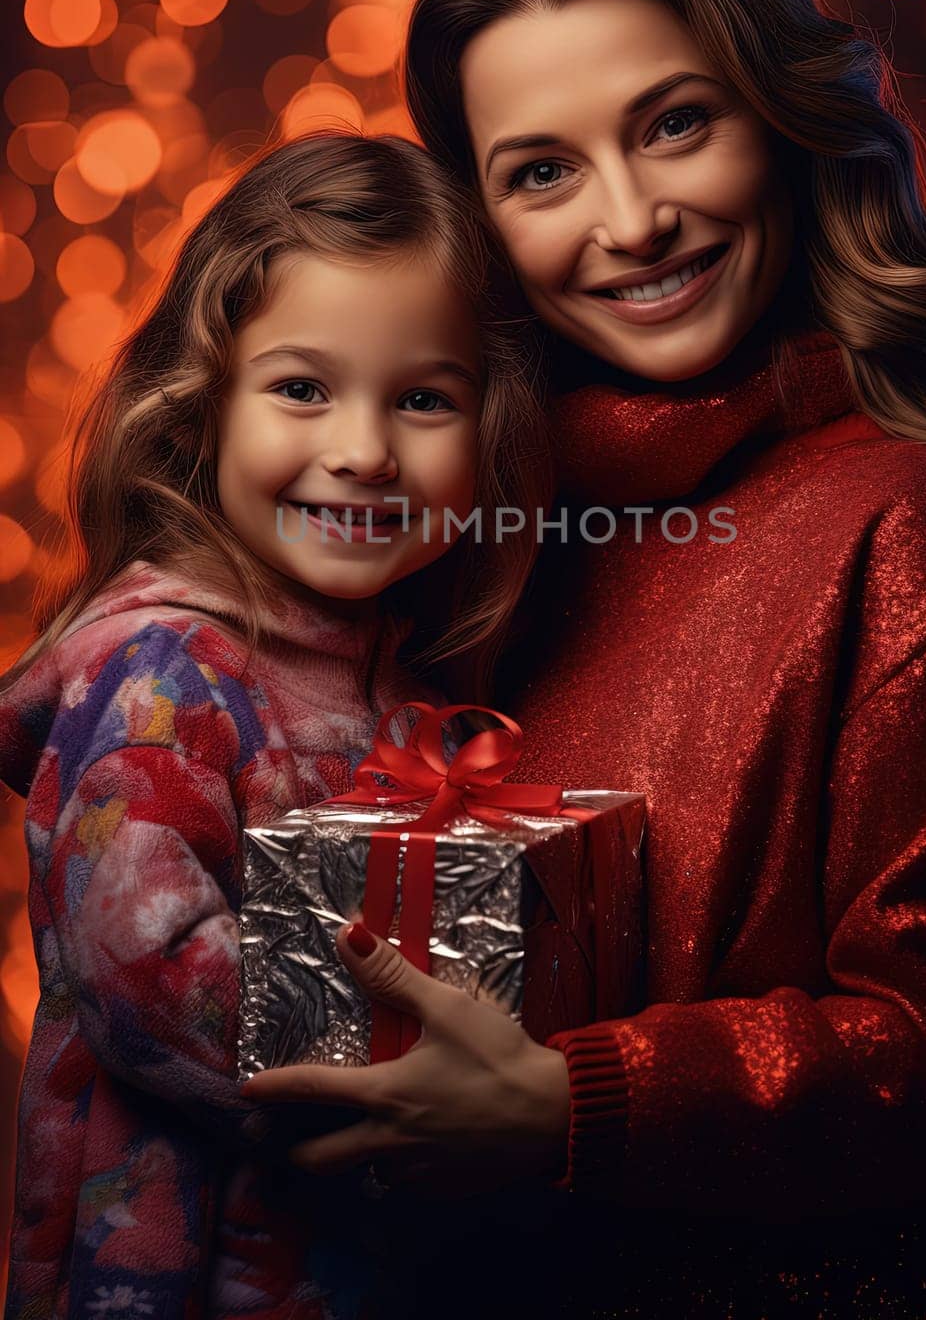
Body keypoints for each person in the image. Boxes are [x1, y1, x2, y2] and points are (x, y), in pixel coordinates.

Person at [243, 0, 926, 1318]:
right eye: (542, 170)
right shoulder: (422, 519)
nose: (632, 221)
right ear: (474, 214)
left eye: (673, 126)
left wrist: (579, 1105)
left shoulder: (911, 530)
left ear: (779, 119)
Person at [0, 131, 552, 1320]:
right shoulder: (162, 673)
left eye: (421, 398)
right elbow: (145, 969)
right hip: (183, 1270)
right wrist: (426, 1073)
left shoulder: (406, 688)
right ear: (204, 408)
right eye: (303, 387)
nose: (361, 452)